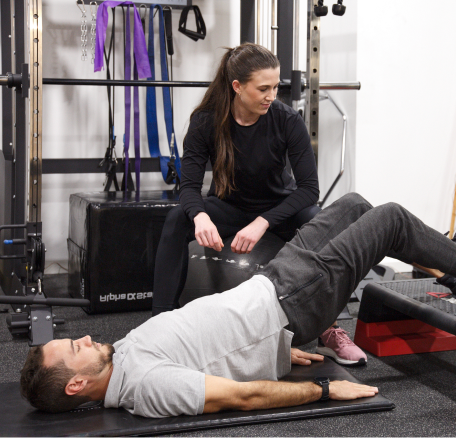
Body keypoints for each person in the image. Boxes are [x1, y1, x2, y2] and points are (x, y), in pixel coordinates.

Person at [21, 193, 456, 417]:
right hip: (296, 298)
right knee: (391, 218)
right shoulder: (146, 386)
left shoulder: (119, 358)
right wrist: (326, 390)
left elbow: (205, 348)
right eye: (75, 348)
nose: (84, 337)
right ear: (76, 385)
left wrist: (273, 351)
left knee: (356, 205)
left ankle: (444, 267)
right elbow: (241, 396)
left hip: (275, 281)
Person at [152, 43, 362, 365]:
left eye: (275, 87)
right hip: (229, 208)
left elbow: (309, 189)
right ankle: (160, 328)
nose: (271, 96)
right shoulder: (206, 121)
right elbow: (189, 187)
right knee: (177, 218)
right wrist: (200, 217)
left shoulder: (286, 119)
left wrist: (263, 222)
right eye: (263, 88)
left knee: (318, 221)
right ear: (237, 86)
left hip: (279, 209)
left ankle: (329, 330)